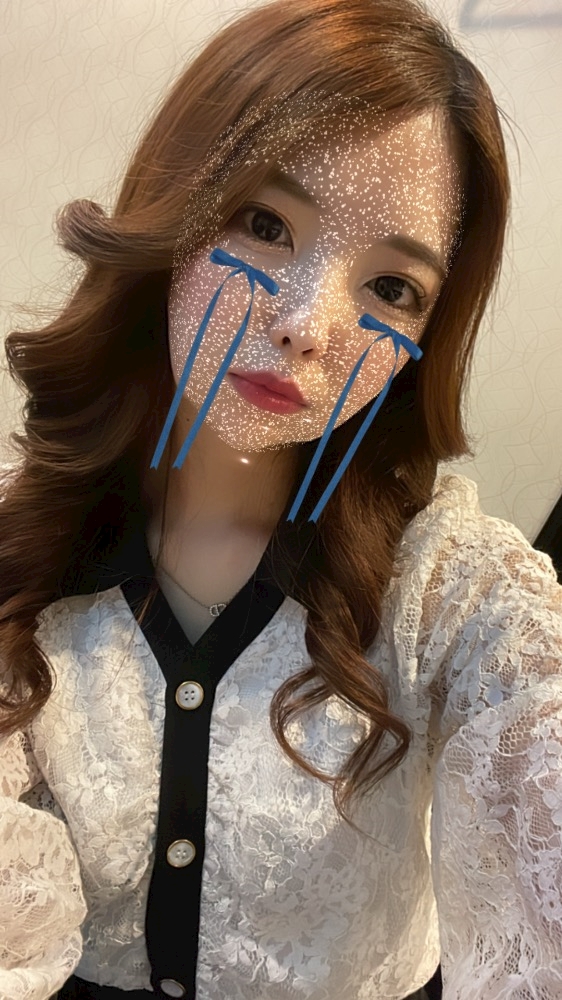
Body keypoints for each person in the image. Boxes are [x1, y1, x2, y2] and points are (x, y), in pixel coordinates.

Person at [1, 0, 561, 998]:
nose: (308, 324)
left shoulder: (454, 594)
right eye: (266, 225)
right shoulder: (26, 541)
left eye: (392, 288)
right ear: (178, 207)